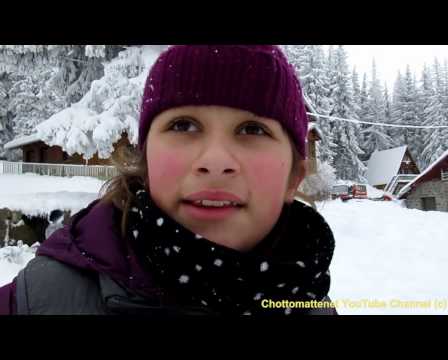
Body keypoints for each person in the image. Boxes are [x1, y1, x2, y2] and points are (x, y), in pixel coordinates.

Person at [0, 45, 336, 315]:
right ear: (145, 161)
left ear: (294, 178)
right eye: (183, 126)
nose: (215, 162)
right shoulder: (38, 299)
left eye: (252, 130)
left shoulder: (309, 299)